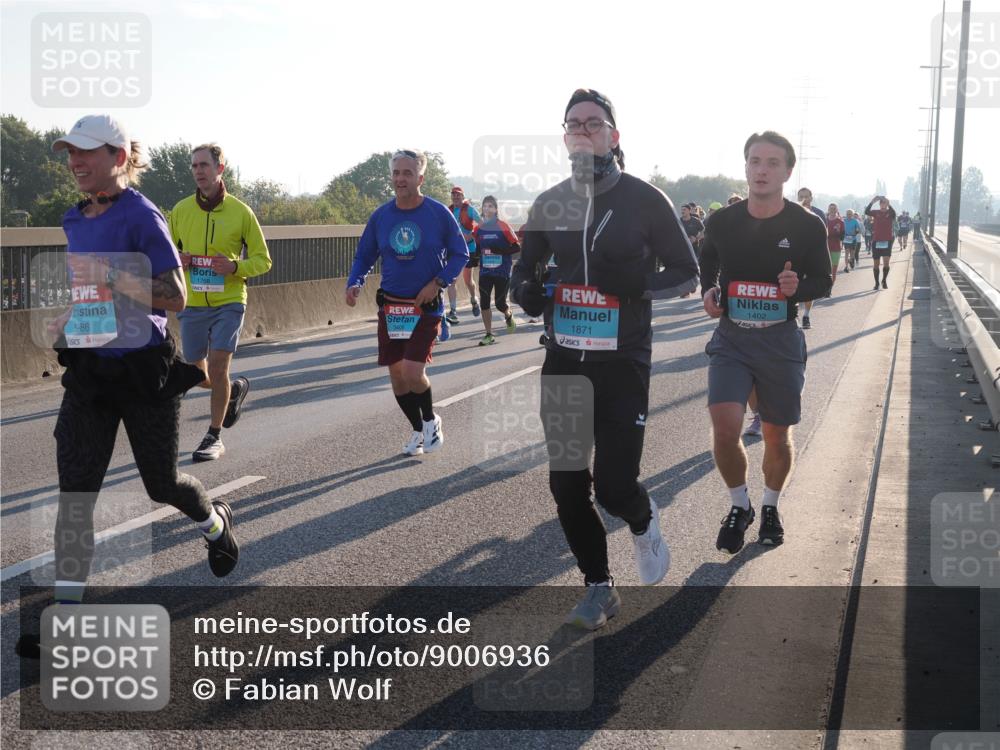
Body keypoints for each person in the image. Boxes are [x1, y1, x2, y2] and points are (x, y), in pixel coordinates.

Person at [17, 115, 239, 659]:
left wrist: (114, 277)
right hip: (92, 373)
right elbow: (89, 287)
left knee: (161, 486)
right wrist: (69, 317)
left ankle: (214, 523)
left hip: (144, 370)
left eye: (86, 152)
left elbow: (175, 295)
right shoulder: (73, 217)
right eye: (70, 152)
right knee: (75, 496)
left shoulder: (144, 215)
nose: (74, 161)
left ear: (118, 157)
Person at [511, 88, 699, 630]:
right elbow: (527, 268)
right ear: (565, 138)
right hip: (565, 361)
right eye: (574, 125)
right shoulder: (549, 202)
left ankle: (643, 521)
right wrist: (525, 291)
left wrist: (634, 284)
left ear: (614, 136)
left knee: (615, 487)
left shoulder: (646, 199)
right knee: (567, 483)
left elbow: (686, 274)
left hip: (623, 364)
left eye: (594, 123)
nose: (583, 131)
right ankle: (599, 586)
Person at [701, 130, 831, 554]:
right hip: (733, 338)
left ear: (788, 172)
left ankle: (771, 506)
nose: (762, 170)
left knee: (776, 435)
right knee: (725, 427)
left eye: (773, 163)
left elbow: (824, 281)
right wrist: (708, 291)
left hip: (780, 341)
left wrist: (798, 286)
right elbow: (709, 259)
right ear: (746, 166)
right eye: (755, 161)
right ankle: (740, 505)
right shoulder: (721, 221)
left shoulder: (807, 225)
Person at [346, 149, 468, 456]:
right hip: (392, 307)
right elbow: (365, 255)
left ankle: (431, 420)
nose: (401, 179)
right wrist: (355, 281)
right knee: (398, 378)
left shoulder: (438, 213)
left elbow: (460, 254)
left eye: (408, 173)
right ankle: (417, 430)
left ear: (421, 177)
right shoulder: (382, 215)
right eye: (397, 173)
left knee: (414, 372)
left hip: (425, 307)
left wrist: (438, 282)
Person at [169, 143, 272, 462]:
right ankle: (232, 390)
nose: (199, 171)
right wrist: (178, 259)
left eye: (204, 165)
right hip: (192, 302)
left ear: (220, 169)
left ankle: (214, 436)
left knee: (217, 366)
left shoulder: (241, 212)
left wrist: (235, 267)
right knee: (196, 374)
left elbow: (263, 260)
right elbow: (165, 251)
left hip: (229, 300)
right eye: (194, 166)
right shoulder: (181, 210)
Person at [472, 195, 520, 345]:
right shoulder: (478, 229)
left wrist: (501, 250)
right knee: (484, 303)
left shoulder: (503, 226)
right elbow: (478, 247)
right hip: (485, 271)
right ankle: (488, 334)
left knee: (500, 304)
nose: (487, 209)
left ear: (496, 209)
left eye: (490, 206)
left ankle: (508, 313)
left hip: (502, 271)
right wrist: (474, 257)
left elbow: (517, 247)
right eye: (485, 206)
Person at [445, 186, 482, 324]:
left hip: (469, 249)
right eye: (453, 195)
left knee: (468, 281)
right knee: (451, 280)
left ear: (462, 196)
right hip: (453, 250)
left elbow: (483, 224)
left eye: (458, 195)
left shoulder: (470, 210)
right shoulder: (448, 210)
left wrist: (471, 235)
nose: (455, 197)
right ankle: (453, 311)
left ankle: (474, 299)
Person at [795, 187, 829, 330]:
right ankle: (794, 313)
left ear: (811, 198)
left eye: (806, 196)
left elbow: (823, 236)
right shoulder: (792, 212)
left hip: (812, 255)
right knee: (793, 285)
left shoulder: (819, 214)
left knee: (808, 286)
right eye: (801, 196)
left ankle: (806, 315)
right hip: (795, 253)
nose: (803, 198)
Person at [865, 195, 897, 290]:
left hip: (887, 241)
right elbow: (866, 212)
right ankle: (876, 283)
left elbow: (894, 214)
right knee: (876, 264)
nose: (883, 205)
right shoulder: (876, 212)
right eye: (882, 203)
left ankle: (884, 280)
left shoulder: (890, 213)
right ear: (879, 204)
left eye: (885, 203)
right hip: (876, 241)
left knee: (886, 263)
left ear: (887, 204)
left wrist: (889, 203)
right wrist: (872, 202)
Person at [826, 203, 846, 281]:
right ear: (828, 210)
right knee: (826, 269)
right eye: (831, 208)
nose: (832, 210)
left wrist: (838, 232)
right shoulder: (824, 220)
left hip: (836, 247)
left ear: (837, 210)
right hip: (825, 247)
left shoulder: (840, 222)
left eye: (834, 208)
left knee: (833, 270)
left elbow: (842, 236)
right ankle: (825, 289)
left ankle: (830, 289)